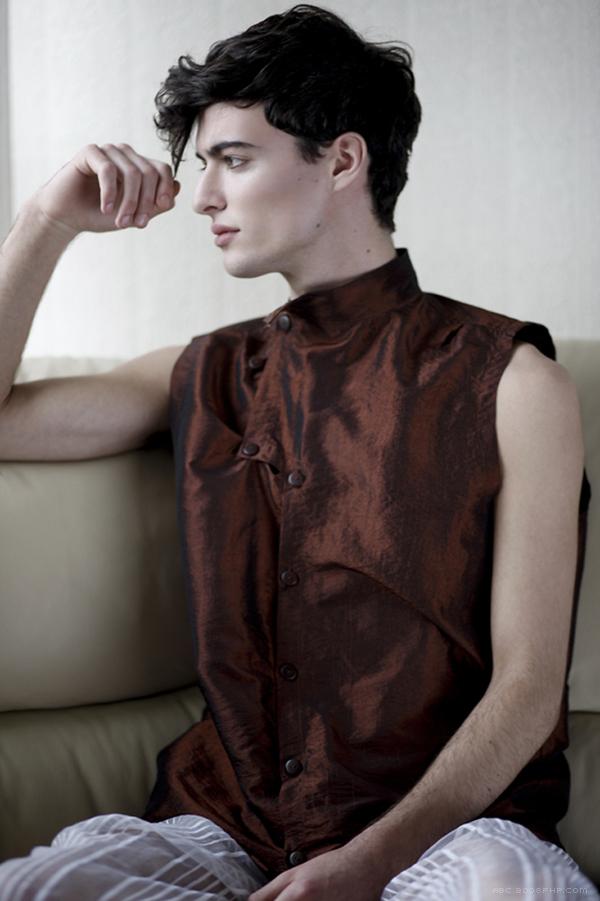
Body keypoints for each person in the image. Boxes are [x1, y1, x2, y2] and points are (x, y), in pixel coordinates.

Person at [0, 4, 596, 899]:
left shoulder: (515, 382)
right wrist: (46, 220)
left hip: (452, 834)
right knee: (43, 887)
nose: (203, 197)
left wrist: (366, 865)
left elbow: (528, 686)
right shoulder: (205, 371)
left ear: (343, 161)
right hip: (228, 826)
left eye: (234, 160)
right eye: (202, 165)